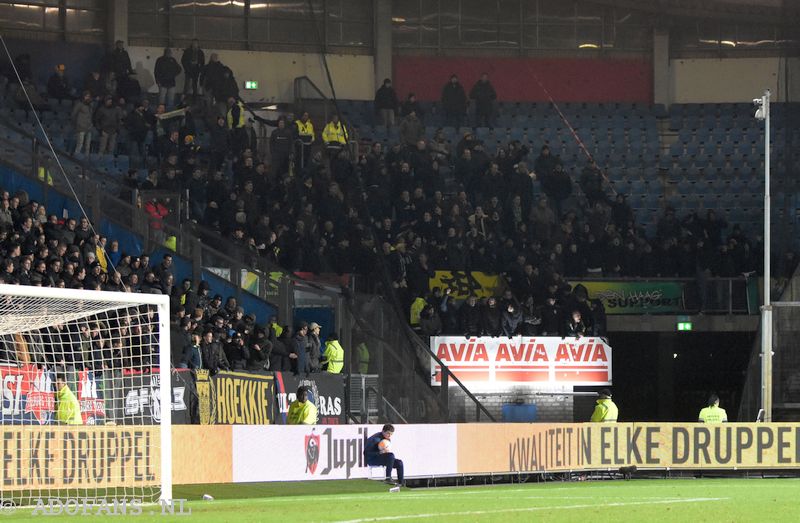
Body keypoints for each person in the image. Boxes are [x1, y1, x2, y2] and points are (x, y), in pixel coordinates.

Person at [71, 91, 94, 155]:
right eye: (86, 96)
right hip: (81, 127)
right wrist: (77, 124)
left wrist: (91, 124)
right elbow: (73, 114)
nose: (88, 98)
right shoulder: (79, 104)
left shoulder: (90, 105)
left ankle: (86, 160)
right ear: (83, 97)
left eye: (89, 96)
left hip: (89, 127)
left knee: (88, 146)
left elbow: (91, 116)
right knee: (79, 144)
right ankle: (76, 157)